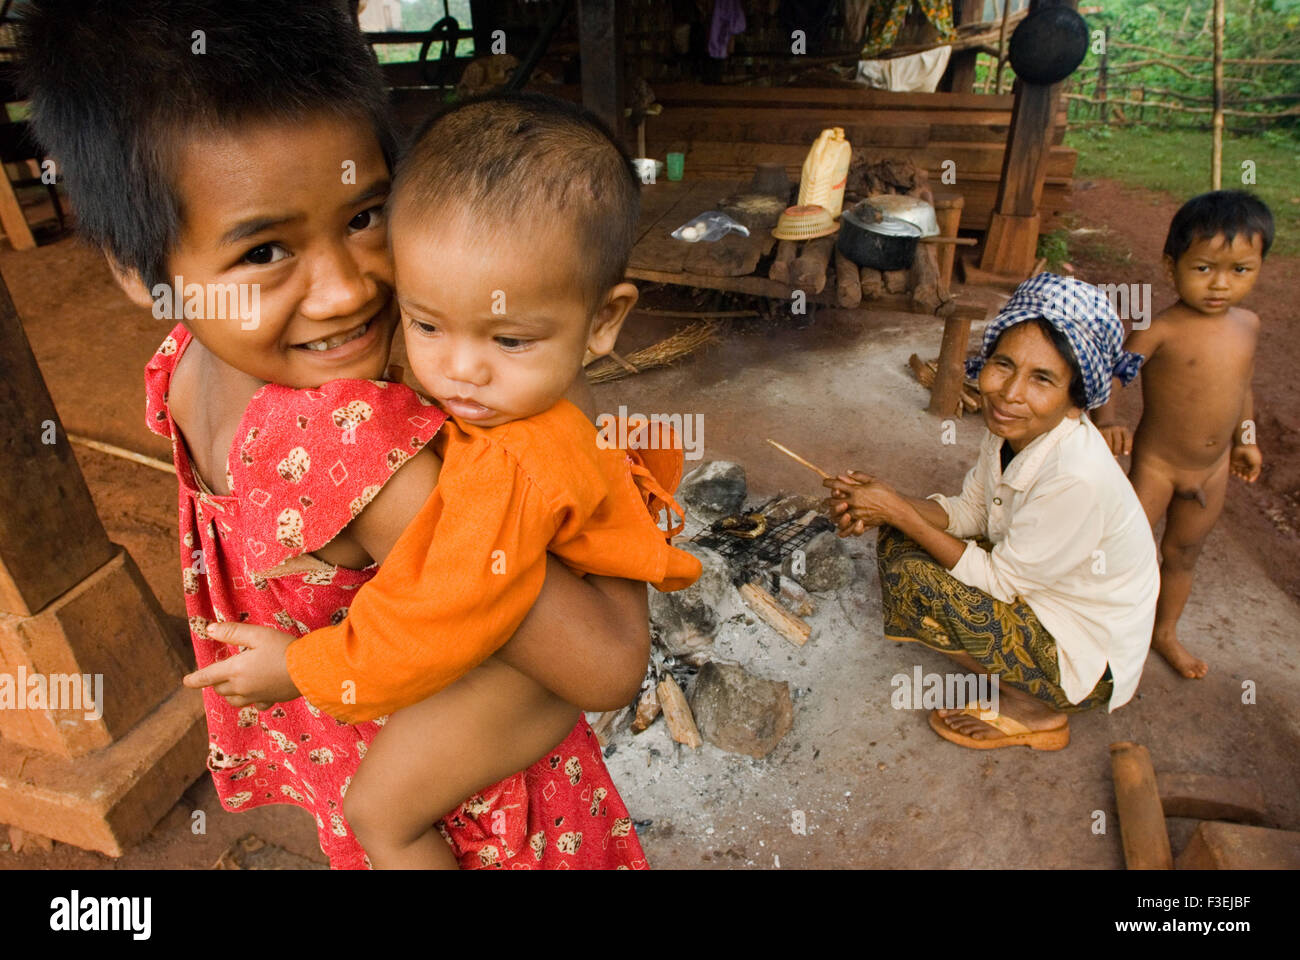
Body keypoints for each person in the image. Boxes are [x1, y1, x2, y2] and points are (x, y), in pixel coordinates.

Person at [20, 0, 656, 869]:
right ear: (139, 269)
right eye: (263, 253)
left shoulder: (183, 358)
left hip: (355, 759)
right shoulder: (359, 451)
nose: (345, 291)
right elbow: (607, 667)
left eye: (364, 217)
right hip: (492, 818)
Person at [191, 94, 702, 869]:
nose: (459, 371)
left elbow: (447, 602)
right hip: (532, 628)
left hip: (519, 682)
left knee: (382, 815)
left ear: (606, 321)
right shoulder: (522, 386)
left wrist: (300, 669)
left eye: (509, 337)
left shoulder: (512, 461)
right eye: (426, 323)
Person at [828, 275, 1159, 750]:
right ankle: (1020, 685)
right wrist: (885, 503)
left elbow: (1000, 581)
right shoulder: (1012, 429)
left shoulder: (1076, 474)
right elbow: (971, 512)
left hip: (1086, 656)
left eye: (1042, 379)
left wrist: (899, 511)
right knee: (900, 543)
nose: (1009, 392)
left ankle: (1038, 711)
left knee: (918, 570)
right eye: (1003, 365)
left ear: (1074, 398)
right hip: (1042, 593)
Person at [1092, 191, 1272, 679]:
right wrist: (1109, 420)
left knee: (1183, 553)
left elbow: (1243, 388)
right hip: (1157, 466)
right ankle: (1097, 632)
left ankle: (1164, 632)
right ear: (1172, 266)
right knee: (1121, 549)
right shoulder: (1160, 327)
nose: (1221, 285)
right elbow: (1115, 372)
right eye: (1204, 268)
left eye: (1240, 270)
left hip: (1211, 473)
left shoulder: (1248, 326)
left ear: (1259, 267)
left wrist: (1247, 439)